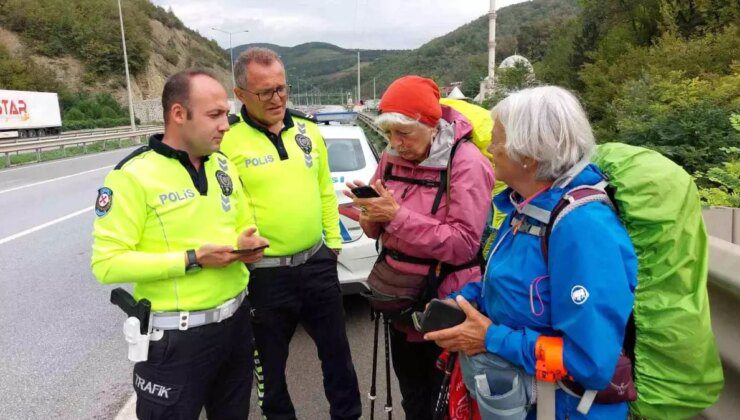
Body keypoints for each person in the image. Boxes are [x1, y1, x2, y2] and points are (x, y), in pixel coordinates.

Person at [426, 86, 637, 419]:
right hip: (531, 402)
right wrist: (464, 301)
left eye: (497, 140)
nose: (490, 148)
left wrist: (491, 338)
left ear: (529, 154)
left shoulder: (582, 228)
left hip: (565, 409)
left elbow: (591, 362)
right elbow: (506, 282)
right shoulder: (525, 208)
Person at [91, 69, 269, 419]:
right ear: (178, 114)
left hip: (235, 327)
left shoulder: (222, 166)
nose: (226, 125)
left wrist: (246, 244)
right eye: (215, 115)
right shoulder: (131, 177)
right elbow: (106, 264)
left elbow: (242, 223)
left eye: (226, 115)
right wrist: (192, 259)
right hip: (176, 340)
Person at [219, 47, 361, 420]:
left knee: (338, 358)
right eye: (265, 91)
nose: (277, 98)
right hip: (264, 275)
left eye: (282, 88)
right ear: (241, 95)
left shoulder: (309, 131)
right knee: (270, 369)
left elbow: (325, 192)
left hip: (317, 263)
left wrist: (332, 245)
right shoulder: (226, 141)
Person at [346, 75, 494, 420]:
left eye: (404, 134)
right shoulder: (391, 156)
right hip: (399, 301)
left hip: (446, 303)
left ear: (431, 124)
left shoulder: (467, 162)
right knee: (413, 398)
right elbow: (374, 230)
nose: (396, 144)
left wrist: (395, 216)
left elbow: (463, 244)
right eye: (389, 135)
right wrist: (369, 211)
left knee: (446, 401)